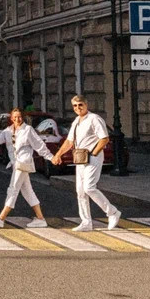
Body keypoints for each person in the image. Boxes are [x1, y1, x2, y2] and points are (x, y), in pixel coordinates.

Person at [0, 107, 54, 228]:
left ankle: (1, 218)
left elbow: (39, 145)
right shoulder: (9, 130)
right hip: (17, 164)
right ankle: (40, 218)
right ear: (11, 118)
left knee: (13, 189)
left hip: (23, 163)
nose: (17, 119)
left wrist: (51, 157)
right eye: (15, 117)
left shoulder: (28, 130)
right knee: (27, 191)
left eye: (19, 117)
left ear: (23, 117)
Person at [52, 95, 122, 231]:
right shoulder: (77, 121)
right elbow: (69, 141)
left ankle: (112, 212)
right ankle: (86, 222)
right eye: (75, 106)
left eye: (80, 105)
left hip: (92, 156)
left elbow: (104, 138)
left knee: (89, 187)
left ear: (86, 105)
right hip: (80, 158)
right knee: (80, 191)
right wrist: (58, 154)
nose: (78, 108)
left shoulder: (94, 119)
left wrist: (94, 153)